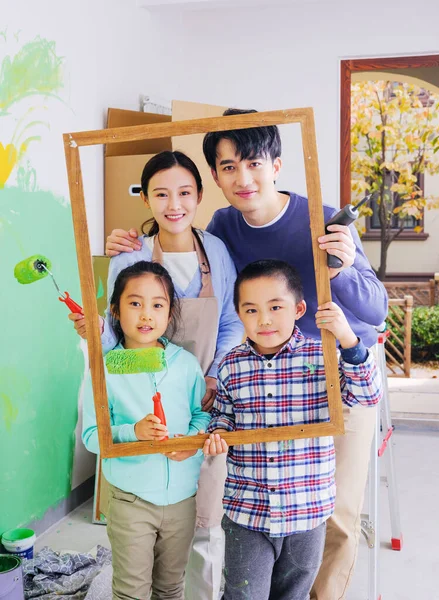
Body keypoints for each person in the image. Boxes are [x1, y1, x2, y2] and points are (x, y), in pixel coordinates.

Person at [104, 109, 389, 600]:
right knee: (256, 503)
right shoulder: (223, 227)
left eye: (253, 162)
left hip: (333, 374)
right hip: (260, 378)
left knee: (335, 513)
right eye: (228, 166)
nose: (243, 178)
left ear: (276, 163)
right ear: (215, 175)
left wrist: (340, 269)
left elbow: (376, 309)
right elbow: (185, 261)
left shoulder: (322, 217)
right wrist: (130, 240)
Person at [72, 150, 244, 600]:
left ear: (200, 196)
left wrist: (210, 379)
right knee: (140, 539)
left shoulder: (218, 251)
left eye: (185, 193)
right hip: (138, 396)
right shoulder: (130, 254)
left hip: (200, 397)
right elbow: (113, 337)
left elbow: (229, 322)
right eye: (161, 193)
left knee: (201, 520)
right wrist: (101, 352)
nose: (174, 204)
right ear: (145, 198)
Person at [203, 259, 382, 600]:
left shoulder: (323, 356)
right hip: (247, 509)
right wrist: (218, 434)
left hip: (307, 511)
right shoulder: (230, 364)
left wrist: (347, 338)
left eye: (275, 307)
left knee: (293, 595)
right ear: (239, 313)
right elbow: (224, 416)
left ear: (299, 308)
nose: (264, 319)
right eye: (251, 310)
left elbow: (368, 394)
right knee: (243, 595)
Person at [82, 260, 211, 599]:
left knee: (170, 588)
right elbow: (92, 436)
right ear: (115, 310)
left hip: (182, 499)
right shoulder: (106, 368)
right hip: (131, 499)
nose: (146, 315)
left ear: (170, 314)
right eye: (134, 303)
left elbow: (202, 416)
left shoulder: (185, 364)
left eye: (157, 305)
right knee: (131, 591)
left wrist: (191, 442)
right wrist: (132, 432)